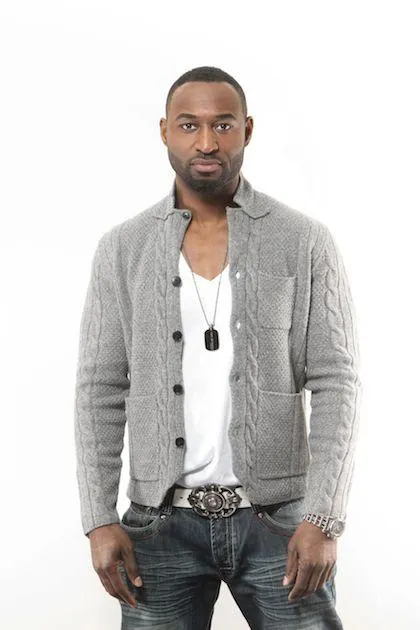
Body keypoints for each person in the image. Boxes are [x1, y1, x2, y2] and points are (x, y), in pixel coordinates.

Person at [74, 65, 362, 629]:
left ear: (247, 130)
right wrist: (98, 518)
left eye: (223, 125)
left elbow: (336, 381)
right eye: (189, 125)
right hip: (158, 526)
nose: (206, 142)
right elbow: (99, 389)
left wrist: (324, 517)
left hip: (282, 524)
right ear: (164, 131)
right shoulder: (123, 248)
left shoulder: (302, 240)